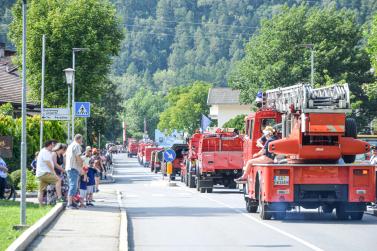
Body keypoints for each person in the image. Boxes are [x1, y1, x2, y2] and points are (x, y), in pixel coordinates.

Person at [36, 140, 58, 205]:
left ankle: (40, 205)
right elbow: (48, 163)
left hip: (41, 173)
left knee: (41, 190)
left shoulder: (45, 151)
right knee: (58, 180)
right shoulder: (45, 152)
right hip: (44, 173)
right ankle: (59, 197)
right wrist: (54, 172)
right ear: (49, 145)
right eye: (53, 146)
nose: (53, 147)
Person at [66, 134, 84, 209]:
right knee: (73, 186)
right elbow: (78, 157)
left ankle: (72, 202)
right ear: (79, 139)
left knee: (73, 185)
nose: (82, 141)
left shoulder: (70, 146)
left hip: (69, 167)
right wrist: (81, 166)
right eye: (81, 139)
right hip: (73, 168)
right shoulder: (76, 146)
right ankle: (69, 203)